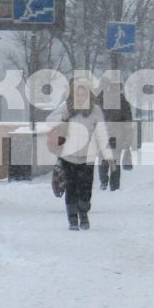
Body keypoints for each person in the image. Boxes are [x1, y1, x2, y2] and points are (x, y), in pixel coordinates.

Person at [48, 74, 107, 231]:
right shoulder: (67, 108)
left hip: (87, 157)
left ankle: (84, 214)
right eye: (78, 94)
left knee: (85, 189)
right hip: (68, 156)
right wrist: (63, 116)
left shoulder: (95, 111)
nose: (81, 97)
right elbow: (50, 120)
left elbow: (101, 131)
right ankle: (73, 219)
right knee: (71, 188)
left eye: (84, 94)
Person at [99, 71, 135, 192]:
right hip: (116, 135)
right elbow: (128, 122)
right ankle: (114, 185)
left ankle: (104, 181)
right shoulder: (123, 102)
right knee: (115, 160)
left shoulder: (101, 99)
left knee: (104, 159)